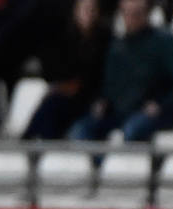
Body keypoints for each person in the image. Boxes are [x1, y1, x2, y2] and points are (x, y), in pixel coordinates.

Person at [68, 0, 173, 143]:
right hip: (118, 112)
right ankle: (97, 164)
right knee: (80, 129)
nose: (130, 17)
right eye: (126, 12)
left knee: (132, 130)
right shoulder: (117, 46)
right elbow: (107, 84)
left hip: (152, 112)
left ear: (147, 12)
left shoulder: (166, 42)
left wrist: (162, 105)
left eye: (136, 13)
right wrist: (102, 100)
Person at [22, 0, 111, 140]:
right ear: (76, 12)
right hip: (68, 97)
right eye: (85, 9)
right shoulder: (66, 38)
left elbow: (100, 75)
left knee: (53, 105)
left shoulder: (105, 40)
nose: (89, 14)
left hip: (90, 99)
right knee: (52, 104)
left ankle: (29, 141)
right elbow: (55, 69)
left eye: (92, 10)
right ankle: (31, 142)